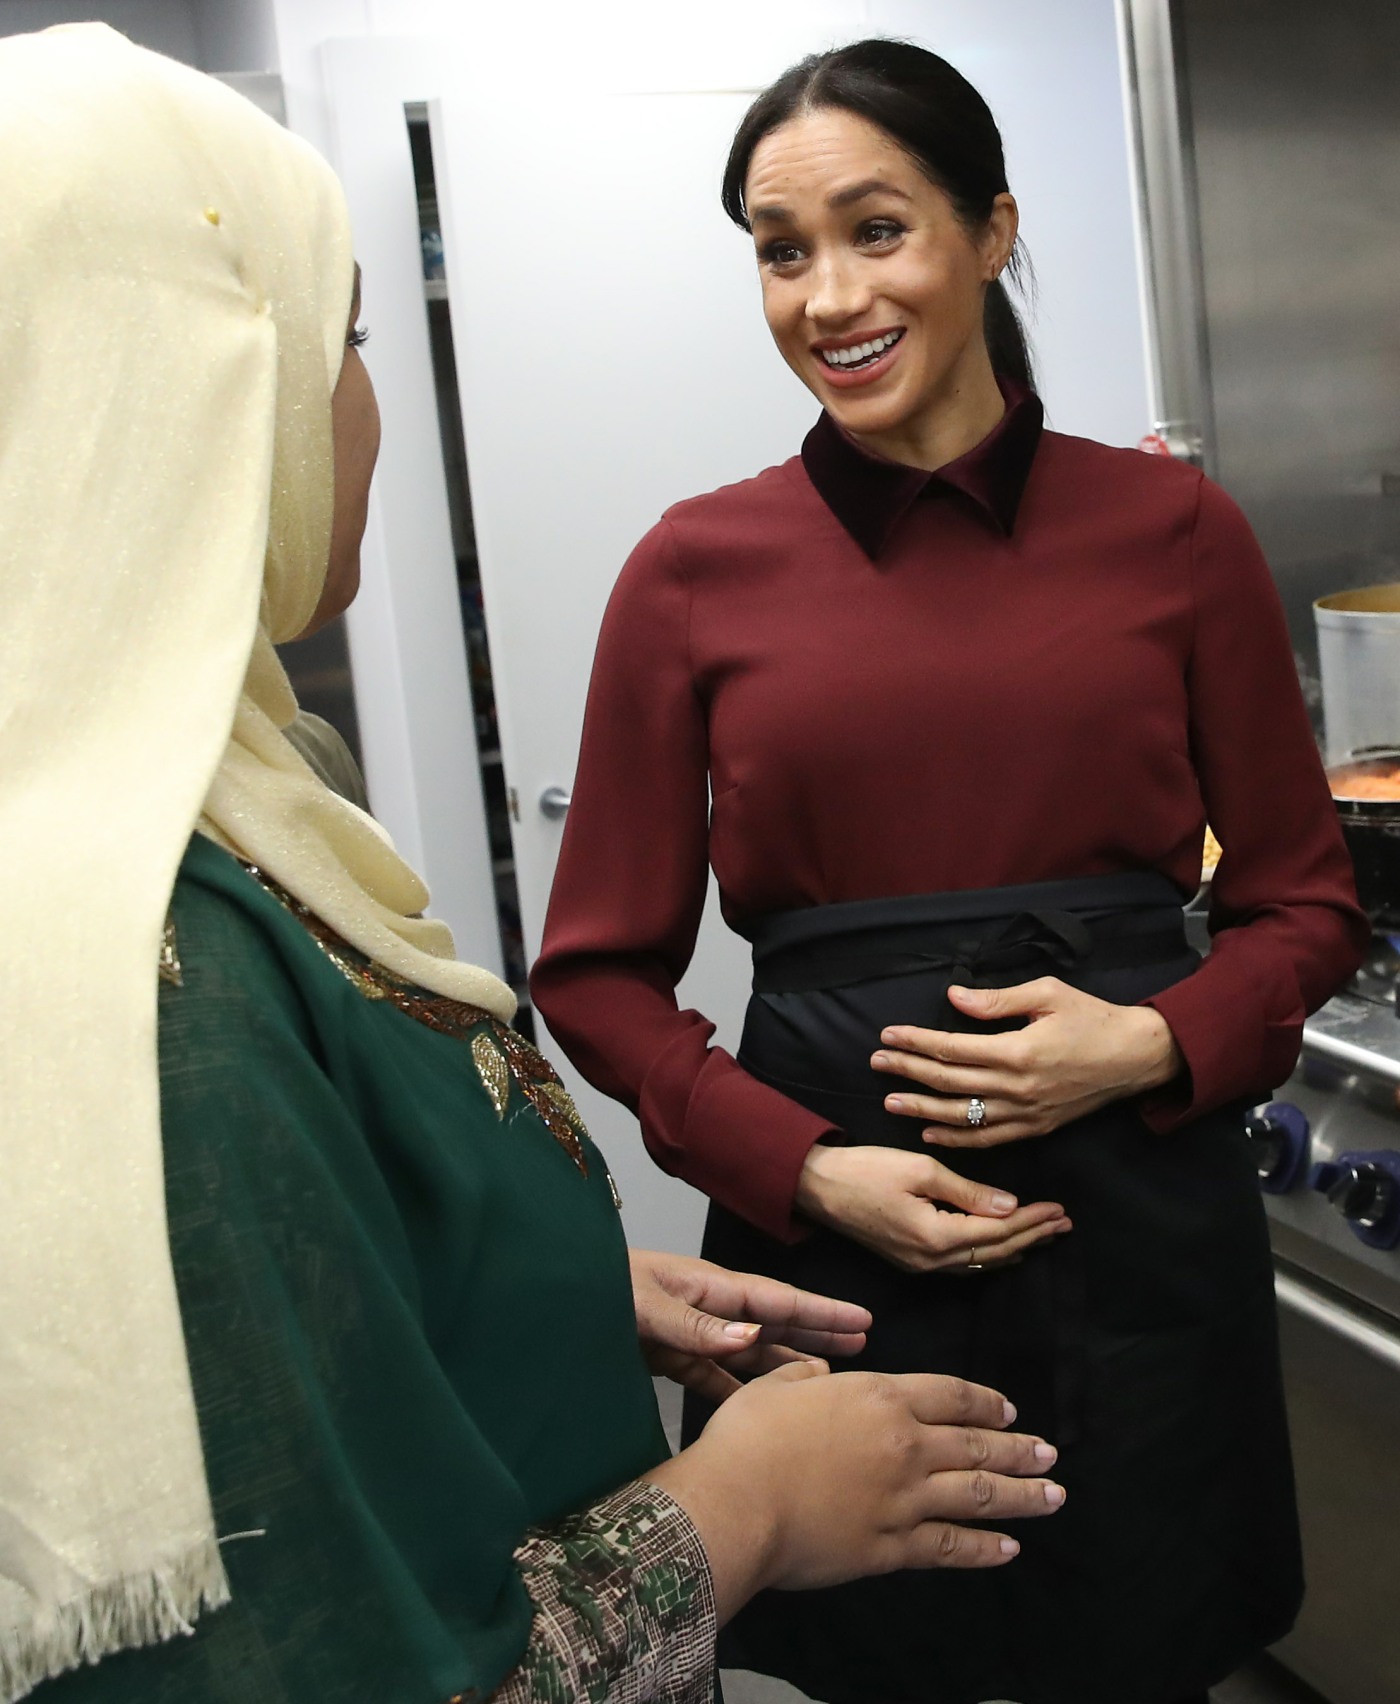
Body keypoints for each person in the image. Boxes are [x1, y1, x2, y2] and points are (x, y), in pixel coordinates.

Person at [0, 26, 1072, 1704]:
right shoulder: (145, 980)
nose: (362, 405)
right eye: (341, 341)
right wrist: (757, 1496)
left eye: (877, 230)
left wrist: (535, 1288)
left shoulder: (214, 811)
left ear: (993, 233)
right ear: (193, 386)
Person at [531, 37, 1369, 1704]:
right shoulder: (693, 572)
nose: (826, 294)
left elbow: (1305, 900)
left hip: (1140, 1211)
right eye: (782, 250)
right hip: (844, 1241)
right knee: (878, 1660)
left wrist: (1153, 1042)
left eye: (876, 229)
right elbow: (597, 977)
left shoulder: (1175, 534)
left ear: (991, 232)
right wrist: (805, 1171)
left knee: (1145, 1644)